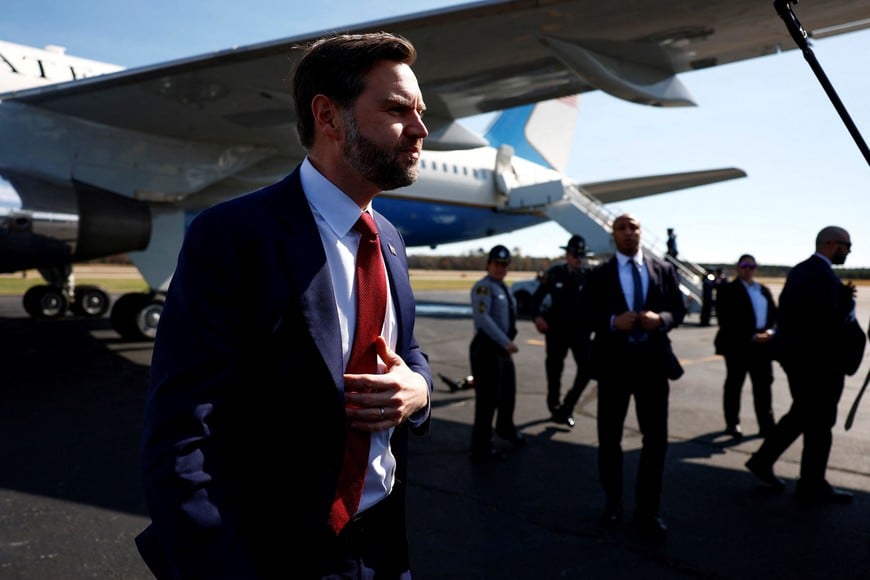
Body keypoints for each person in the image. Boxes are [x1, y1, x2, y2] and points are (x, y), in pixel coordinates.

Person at [135, 32, 433, 579]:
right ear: (328, 116)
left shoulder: (388, 237)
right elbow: (181, 435)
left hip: (385, 548)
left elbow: (407, 350)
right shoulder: (234, 235)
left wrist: (420, 389)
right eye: (396, 109)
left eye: (419, 110)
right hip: (275, 554)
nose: (420, 129)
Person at [581, 213, 686, 539]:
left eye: (633, 228)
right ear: (613, 235)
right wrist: (613, 322)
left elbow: (679, 309)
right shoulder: (600, 274)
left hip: (653, 367)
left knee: (656, 441)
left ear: (641, 232)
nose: (628, 233)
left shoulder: (663, 270)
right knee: (609, 439)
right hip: (614, 367)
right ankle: (612, 503)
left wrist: (662, 318)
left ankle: (648, 510)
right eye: (621, 228)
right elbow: (585, 315)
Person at [745, 226, 858, 504]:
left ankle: (769, 463)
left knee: (805, 416)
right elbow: (820, 324)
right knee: (819, 423)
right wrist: (844, 311)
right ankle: (811, 483)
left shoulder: (805, 271)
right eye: (847, 245)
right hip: (817, 365)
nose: (849, 251)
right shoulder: (818, 274)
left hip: (804, 362)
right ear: (832, 244)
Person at [469, 244, 526, 461]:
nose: (500, 268)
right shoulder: (483, 288)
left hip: (502, 350)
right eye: (496, 264)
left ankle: (505, 428)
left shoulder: (504, 287)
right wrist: (505, 342)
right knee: (487, 399)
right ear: (488, 265)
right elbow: (483, 320)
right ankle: (481, 445)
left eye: (504, 264)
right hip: (487, 349)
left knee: (508, 393)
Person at [529, 234, 593, 427]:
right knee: (554, 371)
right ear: (567, 255)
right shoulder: (555, 273)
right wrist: (537, 317)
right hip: (556, 331)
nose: (578, 259)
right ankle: (554, 406)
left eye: (581, 255)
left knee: (587, 369)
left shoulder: (589, 276)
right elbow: (536, 299)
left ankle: (568, 405)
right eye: (574, 254)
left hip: (580, 333)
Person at [713, 254, 778, 439]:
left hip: (762, 346)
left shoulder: (762, 290)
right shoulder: (727, 290)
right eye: (744, 265)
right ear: (737, 268)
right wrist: (750, 335)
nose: (748, 269)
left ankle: (766, 426)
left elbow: (775, 315)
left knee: (763, 387)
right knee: (734, 385)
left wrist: (771, 333)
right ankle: (732, 424)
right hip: (737, 346)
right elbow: (725, 319)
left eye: (751, 266)